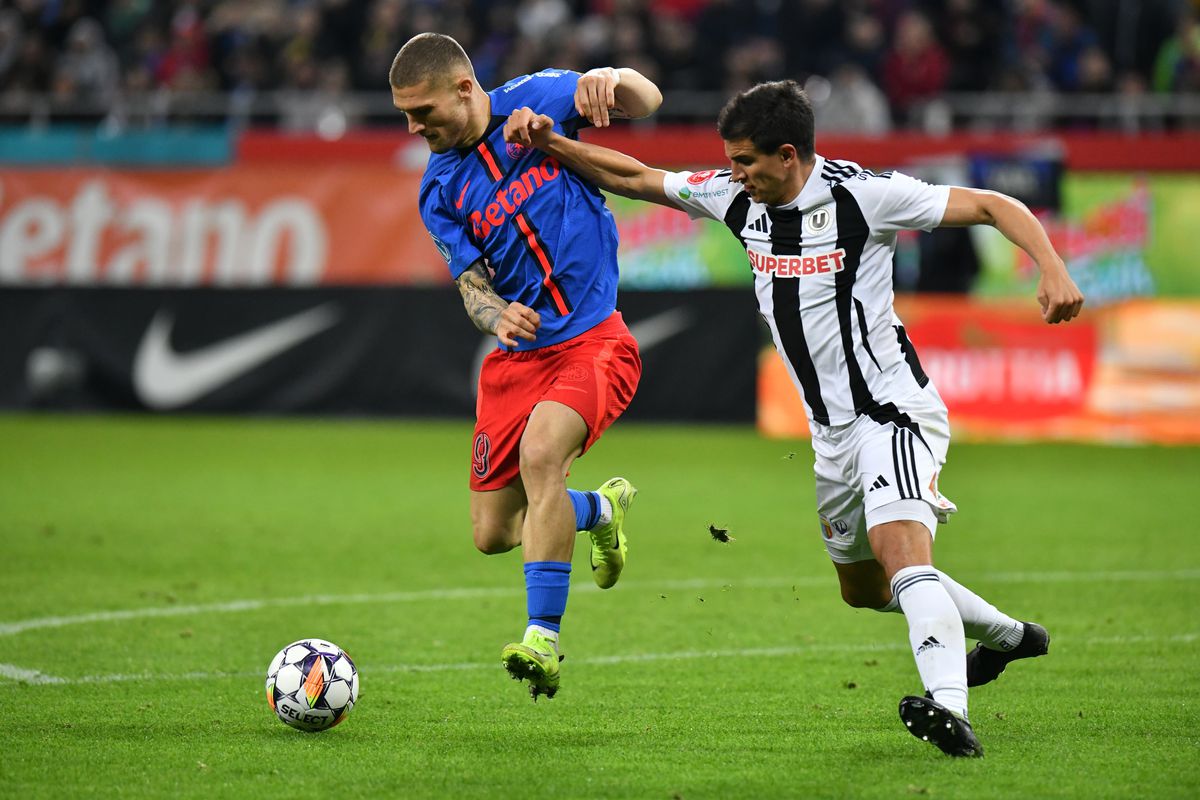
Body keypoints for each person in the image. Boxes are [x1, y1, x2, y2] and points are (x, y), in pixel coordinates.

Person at [503, 79, 1084, 752]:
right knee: (863, 589)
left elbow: (989, 203)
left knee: (902, 554)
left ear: (787, 154)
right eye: (731, 161)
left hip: (891, 412)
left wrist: (1051, 266)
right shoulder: (734, 199)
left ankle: (948, 706)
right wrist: (552, 143)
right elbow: (636, 176)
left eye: (747, 161)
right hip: (830, 435)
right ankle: (1011, 638)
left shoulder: (865, 195)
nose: (736, 174)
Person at [389, 33, 663, 701]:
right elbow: (471, 286)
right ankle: (598, 510)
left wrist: (608, 76)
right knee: (493, 534)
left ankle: (542, 640)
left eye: (421, 111)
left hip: (594, 341)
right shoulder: (439, 190)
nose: (412, 126)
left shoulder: (537, 99)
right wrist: (495, 316)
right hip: (517, 363)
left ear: (464, 87)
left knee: (543, 456)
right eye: (404, 114)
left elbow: (647, 100)